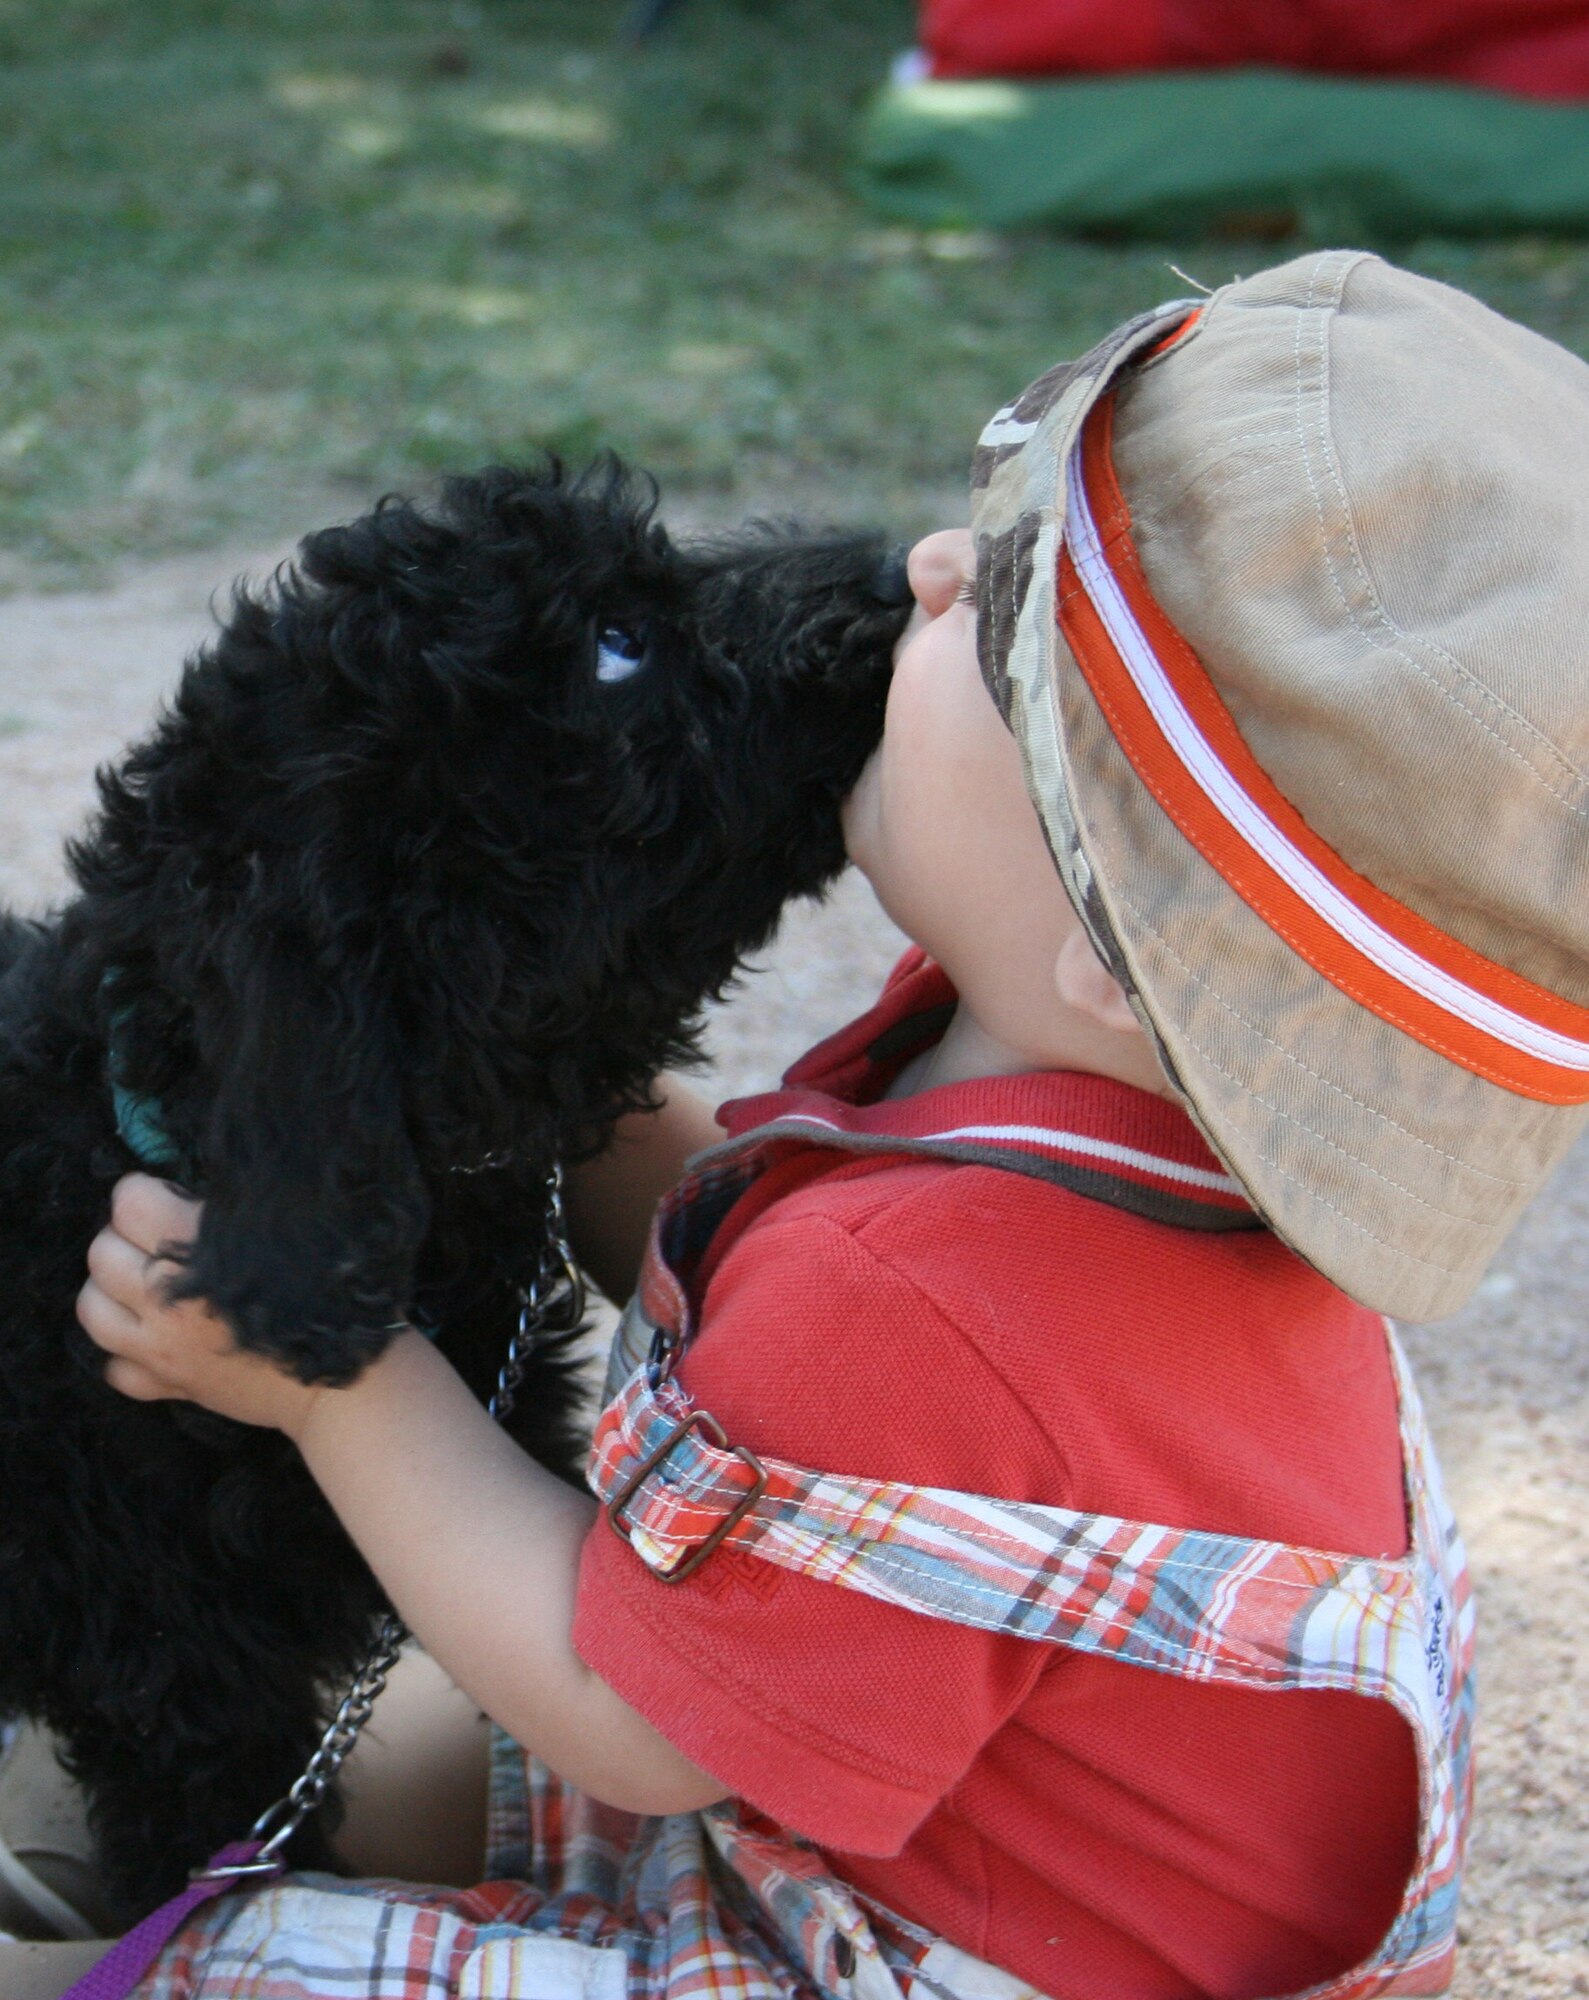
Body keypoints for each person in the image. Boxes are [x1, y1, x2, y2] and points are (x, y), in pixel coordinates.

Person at [19, 242, 1589, 2000]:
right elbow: (749, 1251)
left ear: (1103, 936)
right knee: (385, 1779)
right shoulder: (1102, 1116)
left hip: (930, 1951)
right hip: (992, 1821)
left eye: (999, 627)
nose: (923, 567)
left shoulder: (925, 1308)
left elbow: (632, 1724)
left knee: (212, 1960)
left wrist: (333, 1386)